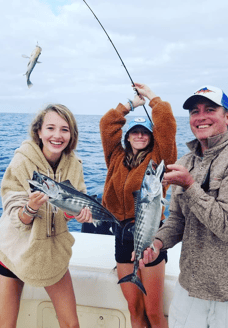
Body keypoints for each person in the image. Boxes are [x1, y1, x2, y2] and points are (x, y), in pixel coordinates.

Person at [139, 85, 228, 328]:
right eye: (194, 111)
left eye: (210, 109)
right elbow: (177, 220)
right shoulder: (185, 161)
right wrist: (157, 243)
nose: (200, 117)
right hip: (189, 286)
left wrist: (189, 185)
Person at [0, 104, 92, 328]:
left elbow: (77, 203)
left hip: (52, 255)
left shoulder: (75, 165)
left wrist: (76, 215)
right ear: (39, 131)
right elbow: (13, 209)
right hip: (15, 252)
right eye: (50, 128)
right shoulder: (21, 161)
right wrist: (29, 209)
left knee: (71, 325)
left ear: (72, 135)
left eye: (64, 129)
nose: (57, 135)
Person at [100, 83, 177, 328]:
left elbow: (166, 125)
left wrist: (152, 98)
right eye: (135, 131)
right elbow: (106, 124)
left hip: (150, 236)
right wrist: (130, 105)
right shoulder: (115, 157)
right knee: (134, 310)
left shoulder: (159, 160)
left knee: (154, 312)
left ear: (151, 136)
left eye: (145, 132)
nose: (140, 135)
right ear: (127, 136)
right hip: (121, 235)